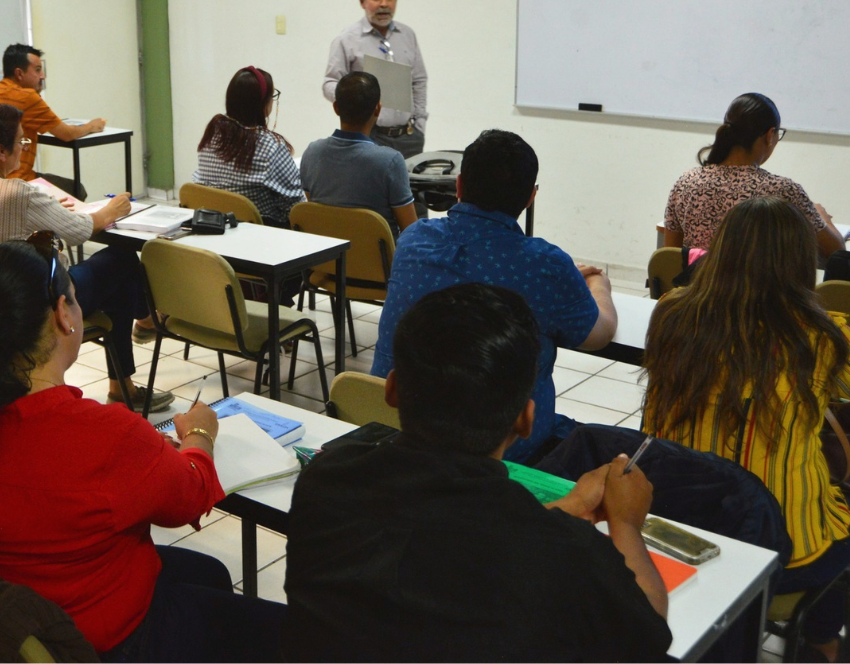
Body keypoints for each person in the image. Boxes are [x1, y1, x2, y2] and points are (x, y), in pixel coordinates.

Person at [0, 240, 286, 661]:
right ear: (62, 315)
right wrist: (200, 433)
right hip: (96, 641)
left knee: (210, 573)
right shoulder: (106, 436)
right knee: (290, 636)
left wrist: (144, 458)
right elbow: (189, 498)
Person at [285, 283, 671, 661]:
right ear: (525, 419)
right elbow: (647, 632)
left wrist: (568, 506)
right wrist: (625, 523)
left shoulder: (325, 480)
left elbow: (444, 538)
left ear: (392, 390)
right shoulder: (563, 553)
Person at [644, 196, 850, 662]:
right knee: (835, 512)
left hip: (674, 528)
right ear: (803, 262)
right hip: (780, 551)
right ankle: (822, 644)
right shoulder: (824, 336)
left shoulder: (672, 312)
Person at [371, 130, 616, 463]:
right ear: (531, 196)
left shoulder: (414, 239)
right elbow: (598, 335)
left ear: (458, 186)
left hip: (394, 432)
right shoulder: (545, 265)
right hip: (504, 453)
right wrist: (599, 283)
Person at [0, 102, 171, 413]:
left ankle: (137, 341)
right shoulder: (16, 194)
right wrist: (110, 211)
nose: (24, 147)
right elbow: (80, 230)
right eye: (21, 141)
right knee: (122, 260)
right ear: (0, 151)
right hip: (39, 302)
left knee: (116, 281)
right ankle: (142, 332)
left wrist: (45, 208)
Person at [664, 92, 844, 260]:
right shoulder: (783, 190)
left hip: (697, 291)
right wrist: (823, 218)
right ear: (770, 135)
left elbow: (669, 257)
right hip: (755, 293)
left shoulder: (687, 181)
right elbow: (837, 253)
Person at [322, 0, 428, 159]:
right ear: (362, 1)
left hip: (409, 137)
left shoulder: (407, 35)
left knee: (409, 188)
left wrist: (419, 124)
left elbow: (419, 80)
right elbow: (329, 83)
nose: (384, 4)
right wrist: (354, 98)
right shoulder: (346, 39)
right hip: (369, 136)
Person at [0, 42, 106, 197]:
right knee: (77, 189)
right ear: (19, 73)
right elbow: (67, 134)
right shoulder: (27, 97)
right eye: (38, 70)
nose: (42, 76)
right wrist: (91, 126)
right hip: (16, 178)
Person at [300, 71, 416, 239]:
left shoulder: (312, 153)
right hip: (377, 265)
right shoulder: (390, 162)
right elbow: (411, 232)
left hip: (324, 261)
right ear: (378, 109)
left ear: (336, 107)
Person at [193, 66, 303, 227]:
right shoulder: (270, 146)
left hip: (216, 230)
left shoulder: (212, 134)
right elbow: (295, 207)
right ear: (262, 103)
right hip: (264, 238)